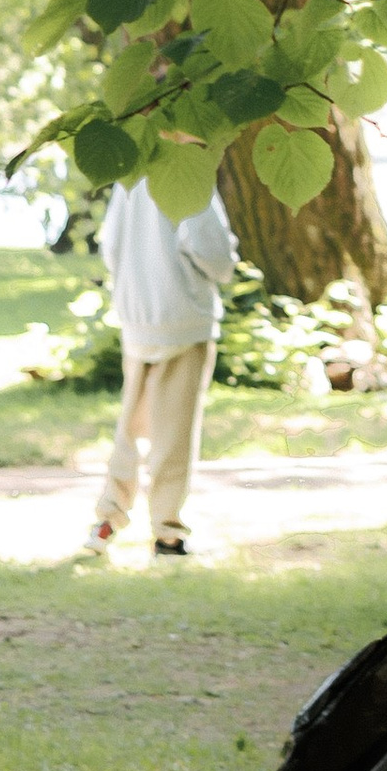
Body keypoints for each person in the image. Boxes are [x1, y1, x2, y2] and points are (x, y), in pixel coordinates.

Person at [86, 174, 240, 558]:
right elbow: (213, 252)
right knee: (174, 430)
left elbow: (111, 246)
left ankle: (109, 516)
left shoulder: (129, 177)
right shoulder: (190, 176)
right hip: (183, 316)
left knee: (132, 426)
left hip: (137, 314)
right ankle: (167, 530)